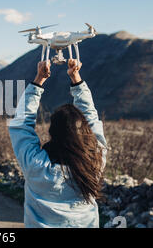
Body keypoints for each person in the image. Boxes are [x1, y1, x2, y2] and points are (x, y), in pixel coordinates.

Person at [8, 59, 108, 228]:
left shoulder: (36, 165)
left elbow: (22, 124)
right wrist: (76, 78)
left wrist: (39, 80)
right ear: (85, 133)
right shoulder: (95, 161)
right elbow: (91, 118)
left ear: (52, 132)